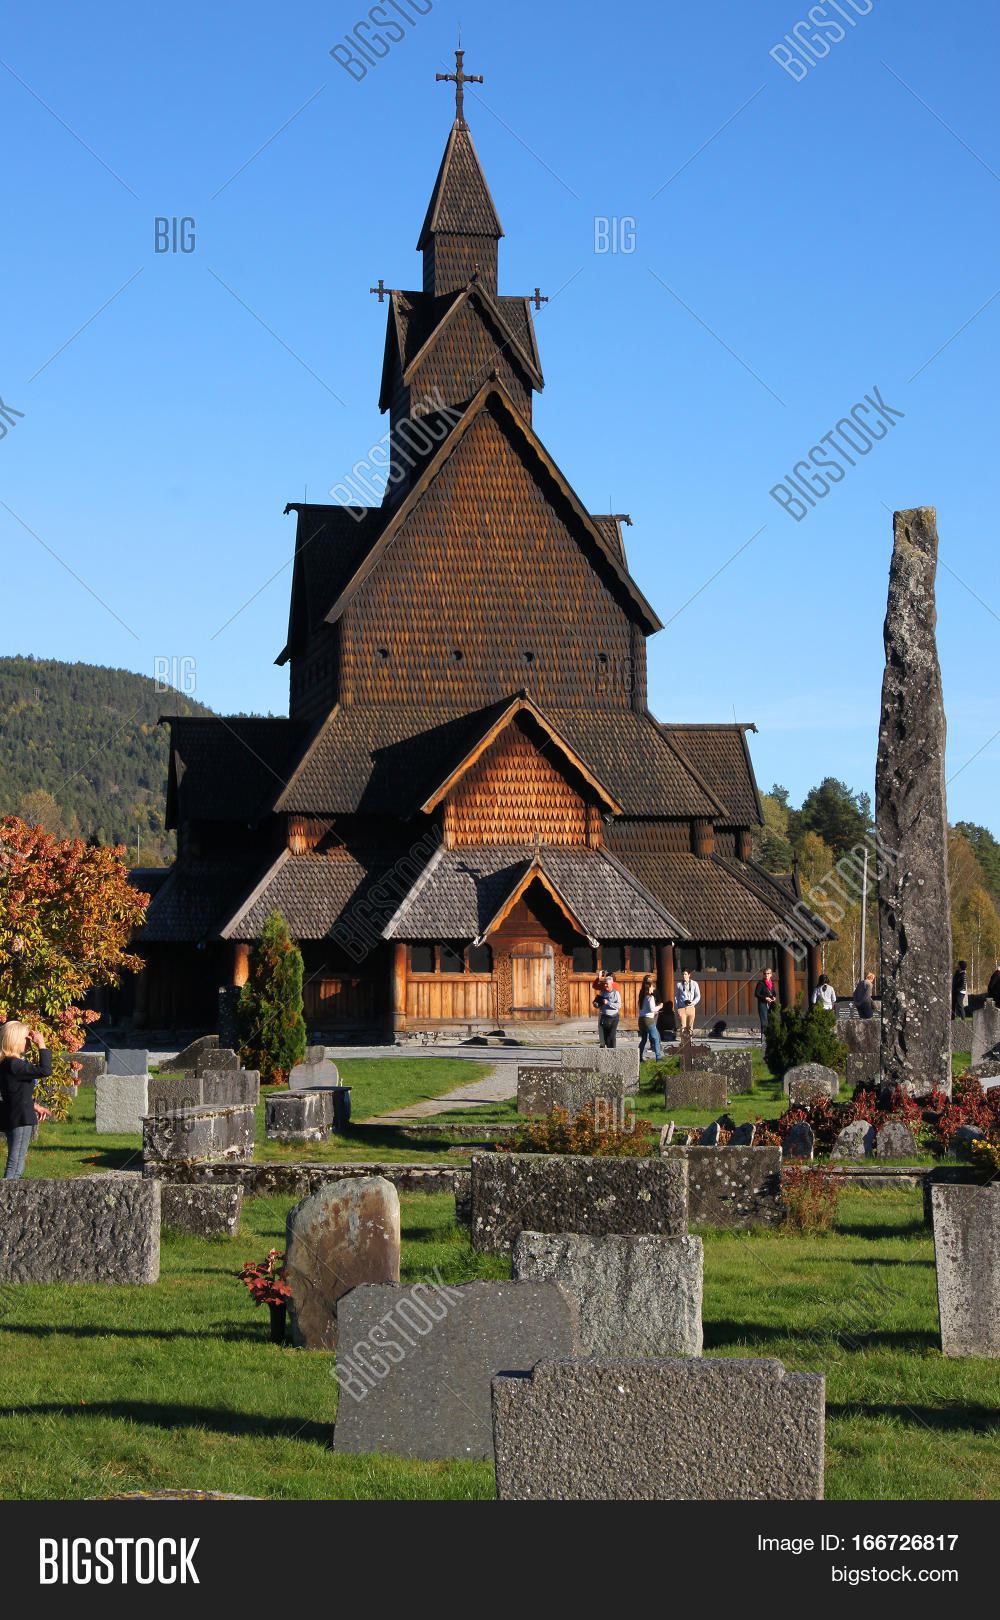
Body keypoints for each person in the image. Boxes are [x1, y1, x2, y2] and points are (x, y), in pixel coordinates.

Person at [0, 1021, 52, 1181]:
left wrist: (34, 1106)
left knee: (16, 1162)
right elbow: (45, 1070)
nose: (29, 1042)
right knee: (15, 1165)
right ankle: (6, 1200)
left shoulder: (6, 1064)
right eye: (26, 1038)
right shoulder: (15, 1064)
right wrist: (41, 1044)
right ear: (16, 1040)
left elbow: (14, 1092)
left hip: (12, 1115)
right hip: (21, 1119)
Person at [637, 975, 663, 1061]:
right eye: (652, 987)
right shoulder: (650, 998)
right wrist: (659, 1007)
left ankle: (639, 1056)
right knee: (655, 1038)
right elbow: (652, 1009)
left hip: (641, 1020)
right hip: (648, 1020)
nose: (653, 988)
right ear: (649, 988)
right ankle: (658, 1057)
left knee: (643, 1039)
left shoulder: (641, 997)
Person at [594, 974, 621, 1048]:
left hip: (613, 1018)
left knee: (611, 1036)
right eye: (604, 983)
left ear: (611, 984)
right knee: (605, 1038)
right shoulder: (603, 993)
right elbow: (598, 1005)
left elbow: (618, 1006)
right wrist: (596, 1004)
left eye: (607, 984)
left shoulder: (616, 993)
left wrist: (608, 1003)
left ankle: (613, 1053)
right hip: (605, 1018)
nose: (605, 985)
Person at [674, 968, 700, 1035]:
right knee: (683, 1026)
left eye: (685, 974)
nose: (684, 976)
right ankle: (683, 1042)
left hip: (691, 1007)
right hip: (682, 1007)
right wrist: (677, 1008)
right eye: (683, 974)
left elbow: (698, 996)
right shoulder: (679, 984)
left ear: (689, 975)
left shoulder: (694, 984)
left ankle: (689, 1042)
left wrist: (693, 1002)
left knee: (690, 1027)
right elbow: (676, 997)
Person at [755, 967, 778, 1044]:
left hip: (771, 1004)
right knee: (764, 1021)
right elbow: (757, 994)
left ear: (771, 974)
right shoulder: (761, 983)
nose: (766, 975)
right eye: (765, 973)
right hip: (763, 1004)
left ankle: (771, 1038)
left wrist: (774, 997)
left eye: (768, 973)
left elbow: (774, 992)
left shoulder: (772, 983)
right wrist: (765, 998)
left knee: (771, 1020)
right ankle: (764, 1039)